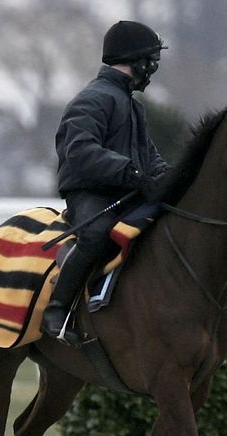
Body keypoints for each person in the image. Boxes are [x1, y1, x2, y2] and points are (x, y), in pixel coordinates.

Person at [41, 20, 170, 346]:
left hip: (126, 189)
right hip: (90, 192)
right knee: (97, 234)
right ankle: (59, 308)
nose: (153, 68)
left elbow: (149, 155)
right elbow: (80, 151)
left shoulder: (131, 105)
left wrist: (168, 177)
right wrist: (130, 172)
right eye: (151, 60)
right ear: (137, 61)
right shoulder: (93, 99)